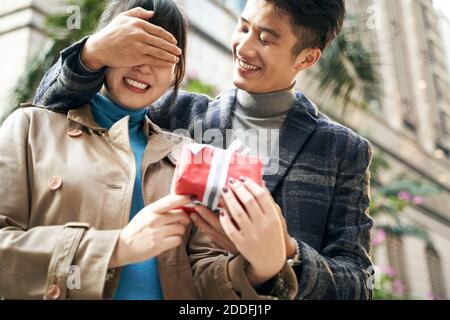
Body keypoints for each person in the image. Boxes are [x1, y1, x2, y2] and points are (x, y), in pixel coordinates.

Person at [33, 0, 374, 300]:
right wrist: (92, 54)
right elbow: (51, 114)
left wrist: (287, 251)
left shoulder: (341, 150)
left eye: (267, 38)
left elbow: (358, 282)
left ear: (307, 57)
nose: (245, 46)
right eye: (243, 27)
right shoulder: (172, 113)